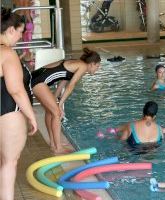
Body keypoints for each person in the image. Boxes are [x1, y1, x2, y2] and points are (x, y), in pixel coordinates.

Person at [31, 48, 101, 154]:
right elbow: (70, 86)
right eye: (97, 66)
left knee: (51, 111)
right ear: (92, 64)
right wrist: (60, 104)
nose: (97, 69)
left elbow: (62, 82)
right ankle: (58, 148)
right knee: (56, 113)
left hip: (36, 78)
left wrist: (55, 98)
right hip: (39, 82)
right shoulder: (82, 66)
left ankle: (53, 143)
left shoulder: (76, 63)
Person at [0, 7, 38, 200]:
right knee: (9, 162)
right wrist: (32, 117)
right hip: (6, 112)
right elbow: (15, 89)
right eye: (21, 32)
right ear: (10, 30)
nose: (21, 37)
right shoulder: (6, 52)